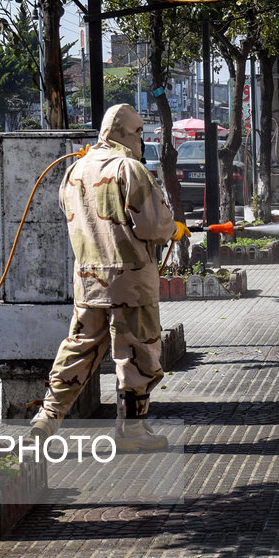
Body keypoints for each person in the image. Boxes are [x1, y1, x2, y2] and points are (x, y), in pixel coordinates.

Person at [29, 104, 191, 452]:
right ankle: (132, 433)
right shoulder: (129, 169)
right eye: (137, 134)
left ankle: (46, 419)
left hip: (88, 282)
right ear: (126, 134)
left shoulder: (74, 170)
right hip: (131, 284)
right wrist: (172, 228)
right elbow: (152, 225)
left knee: (79, 350)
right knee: (135, 356)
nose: (140, 142)